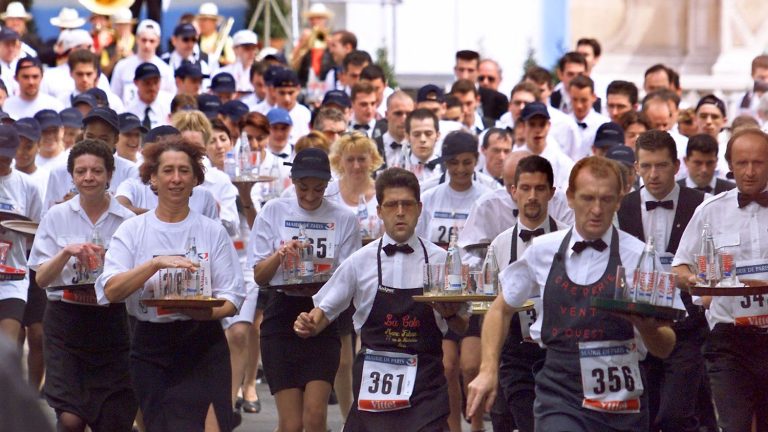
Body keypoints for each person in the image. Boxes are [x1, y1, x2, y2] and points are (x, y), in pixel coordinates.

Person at [468, 156, 677, 431]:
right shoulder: (543, 250)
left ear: (618, 201)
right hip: (560, 391)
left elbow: (666, 346)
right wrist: (487, 369)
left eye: (606, 199)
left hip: (621, 398)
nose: (597, 209)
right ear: (569, 198)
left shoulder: (639, 256)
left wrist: (646, 328)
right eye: (588, 198)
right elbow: (500, 309)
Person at [295, 167, 468, 431]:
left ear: (419, 208)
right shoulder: (359, 262)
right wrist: (307, 323)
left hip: (426, 387)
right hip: (373, 391)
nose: (400, 212)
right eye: (391, 205)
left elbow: (464, 326)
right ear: (379, 211)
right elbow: (322, 314)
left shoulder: (443, 262)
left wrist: (451, 314)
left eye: (407, 204)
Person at [96, 136, 245, 431]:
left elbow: (232, 296)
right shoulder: (132, 230)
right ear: (153, 178)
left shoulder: (212, 231)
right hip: (151, 344)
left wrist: (208, 313)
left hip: (203, 342)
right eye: (167, 171)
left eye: (184, 171)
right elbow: (111, 290)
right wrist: (154, 264)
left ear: (195, 179)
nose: (176, 179)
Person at [29, 139, 137, 432]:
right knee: (70, 418)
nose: (88, 177)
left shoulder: (127, 221)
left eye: (96, 171)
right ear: (72, 176)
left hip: (113, 322)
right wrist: (66, 253)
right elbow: (41, 278)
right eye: (81, 171)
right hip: (66, 322)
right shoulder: (57, 215)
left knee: (113, 419)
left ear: (109, 175)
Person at [250, 148, 360, 432]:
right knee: (291, 424)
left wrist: (321, 313)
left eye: (319, 189)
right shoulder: (273, 211)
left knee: (314, 417)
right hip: (281, 313)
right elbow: (260, 276)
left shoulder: (345, 218)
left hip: (322, 311)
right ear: (292, 181)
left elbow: (349, 278)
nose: (310, 196)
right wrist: (281, 254)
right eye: (303, 188)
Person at [616, 130, 716, 432]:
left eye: (660, 165)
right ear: (636, 167)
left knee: (674, 416)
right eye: (645, 166)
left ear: (676, 166)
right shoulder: (621, 207)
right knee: (643, 418)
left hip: (687, 327)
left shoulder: (703, 205)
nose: (653, 174)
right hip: (637, 328)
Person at [672, 128, 768, 432]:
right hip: (729, 341)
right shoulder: (711, 211)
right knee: (733, 425)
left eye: (758, 162)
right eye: (742, 163)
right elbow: (679, 268)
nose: (750, 171)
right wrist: (698, 283)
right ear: (729, 165)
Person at [415, 131, 493, 432]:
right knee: (447, 366)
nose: (460, 169)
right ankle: (452, 427)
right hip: (443, 292)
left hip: (476, 293)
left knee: (470, 365)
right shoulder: (430, 195)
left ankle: (476, 424)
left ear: (477, 160)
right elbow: (420, 240)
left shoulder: (488, 194)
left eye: (467, 162)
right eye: (453, 163)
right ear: (444, 163)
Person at [486, 155, 566, 432]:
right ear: (514, 191)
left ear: (552, 193)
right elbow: (492, 306)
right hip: (515, 355)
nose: (532, 196)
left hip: (559, 354)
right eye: (526, 188)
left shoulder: (569, 240)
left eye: (540, 188)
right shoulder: (499, 244)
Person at [0, 125, 42, 344]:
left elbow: (38, 229)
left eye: (7, 157)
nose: (2, 162)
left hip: (13, 276)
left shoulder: (27, 186)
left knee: (6, 345)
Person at [110, 19, 175, 106]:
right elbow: (114, 97)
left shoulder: (165, 69)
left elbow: (171, 98)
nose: (147, 45)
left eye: (151, 41)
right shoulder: (122, 66)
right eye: (144, 40)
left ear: (158, 42)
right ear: (137, 39)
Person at [514, 102, 574, 191]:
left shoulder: (563, 163)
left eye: (542, 124)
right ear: (523, 126)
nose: (538, 130)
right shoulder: (514, 159)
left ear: (549, 126)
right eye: (532, 124)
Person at [453, 50, 507, 120]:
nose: (465, 76)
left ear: (478, 71)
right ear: (455, 70)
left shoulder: (498, 100)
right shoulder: (445, 100)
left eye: (470, 70)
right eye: (461, 70)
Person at [566, 75, 610, 161]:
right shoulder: (562, 123)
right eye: (574, 99)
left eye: (584, 100)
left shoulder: (604, 124)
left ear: (593, 97)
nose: (579, 106)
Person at [125, 63, 173, 130]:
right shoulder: (128, 111)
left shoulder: (170, 106)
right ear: (136, 82)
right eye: (147, 83)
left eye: (156, 82)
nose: (152, 88)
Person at [374, 91, 414, 169]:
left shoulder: (420, 147)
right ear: (386, 115)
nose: (404, 119)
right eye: (398, 113)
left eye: (409, 114)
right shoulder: (373, 147)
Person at [403, 108, 441, 181]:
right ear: (407, 136)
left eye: (428, 134)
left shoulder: (448, 169)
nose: (422, 139)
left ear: (438, 135)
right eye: (416, 134)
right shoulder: (398, 168)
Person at [220, 30, 258, 94]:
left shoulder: (258, 74)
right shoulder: (223, 72)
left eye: (253, 48)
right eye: (247, 48)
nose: (251, 52)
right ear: (235, 49)